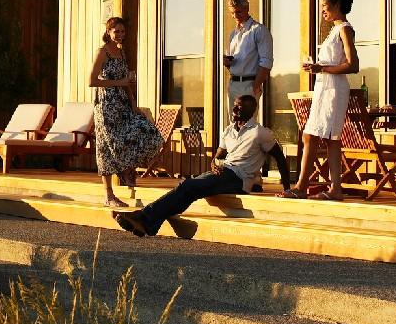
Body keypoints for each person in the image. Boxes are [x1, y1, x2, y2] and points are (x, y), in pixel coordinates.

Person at [112, 95, 288, 236]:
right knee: (188, 188)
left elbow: (280, 159)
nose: (234, 109)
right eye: (234, 105)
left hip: (239, 178)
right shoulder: (229, 130)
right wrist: (214, 164)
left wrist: (287, 189)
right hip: (224, 172)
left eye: (239, 107)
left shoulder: (260, 133)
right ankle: (149, 223)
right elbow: (218, 156)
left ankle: (144, 216)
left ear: (251, 111)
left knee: (189, 186)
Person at [279, 0, 358, 201]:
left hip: (334, 90)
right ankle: (333, 189)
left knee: (311, 136)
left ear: (337, 3)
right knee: (323, 137)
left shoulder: (344, 29)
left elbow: (353, 65)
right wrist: (317, 68)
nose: (322, 9)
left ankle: (303, 186)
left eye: (325, 5)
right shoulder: (334, 29)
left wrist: (321, 68)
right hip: (324, 87)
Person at [89, 17, 164, 208]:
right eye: (117, 32)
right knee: (106, 146)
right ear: (109, 32)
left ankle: (127, 168)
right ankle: (109, 195)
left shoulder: (122, 53)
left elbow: (127, 82)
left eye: (123, 32)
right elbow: (92, 81)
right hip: (106, 106)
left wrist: (133, 104)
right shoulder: (103, 52)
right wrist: (119, 83)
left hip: (122, 103)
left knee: (148, 131)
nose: (120, 35)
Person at [223, 0, 279, 190]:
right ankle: (237, 170)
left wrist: (256, 86)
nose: (236, 15)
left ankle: (253, 176)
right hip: (234, 82)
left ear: (247, 9)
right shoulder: (233, 34)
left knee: (248, 129)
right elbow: (239, 62)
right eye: (232, 13)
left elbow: (266, 62)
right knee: (234, 127)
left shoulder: (258, 30)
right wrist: (228, 64)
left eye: (238, 11)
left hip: (249, 84)